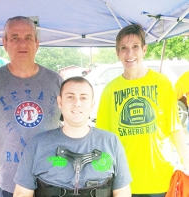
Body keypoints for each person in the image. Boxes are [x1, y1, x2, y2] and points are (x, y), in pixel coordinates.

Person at [0, 16, 63, 197]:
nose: (22, 43)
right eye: (15, 38)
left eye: (28, 38)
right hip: (10, 181)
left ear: (37, 43)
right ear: (4, 43)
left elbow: (73, 124)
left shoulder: (56, 81)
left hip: (52, 179)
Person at [96, 24, 189, 197]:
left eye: (135, 47)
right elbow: (103, 138)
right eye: (123, 48)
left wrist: (186, 160)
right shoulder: (110, 89)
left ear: (144, 49)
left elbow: (174, 127)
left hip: (159, 178)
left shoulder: (163, 83)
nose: (129, 53)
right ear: (117, 53)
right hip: (124, 182)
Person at [13, 76, 132, 197]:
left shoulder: (111, 141)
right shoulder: (38, 144)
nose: (77, 103)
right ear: (60, 102)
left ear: (92, 104)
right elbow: (22, 193)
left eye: (83, 98)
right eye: (70, 97)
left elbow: (122, 191)